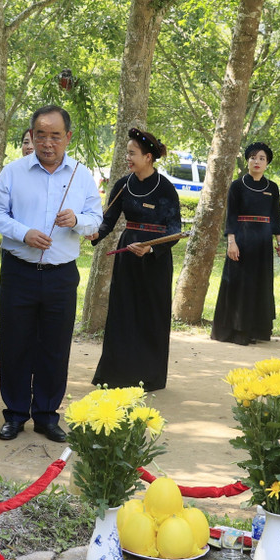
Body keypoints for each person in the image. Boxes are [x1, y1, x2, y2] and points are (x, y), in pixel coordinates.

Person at [0, 105, 102, 442]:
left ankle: (48, 415)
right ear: (32, 137)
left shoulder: (81, 175)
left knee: (55, 346)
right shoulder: (14, 171)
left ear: (67, 137)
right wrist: (24, 232)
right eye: (41, 135)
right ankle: (16, 413)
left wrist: (77, 221)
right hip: (19, 272)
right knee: (15, 344)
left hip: (61, 275)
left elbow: (96, 218)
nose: (47, 143)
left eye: (55, 136)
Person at [89, 128, 181, 391]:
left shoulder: (165, 188)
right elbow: (107, 220)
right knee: (124, 312)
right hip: (127, 256)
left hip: (155, 261)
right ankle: (117, 375)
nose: (127, 158)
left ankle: (149, 377)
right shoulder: (122, 184)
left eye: (132, 153)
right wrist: (93, 233)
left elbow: (174, 230)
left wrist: (151, 249)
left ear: (148, 157)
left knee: (151, 315)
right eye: (127, 153)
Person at [210, 142, 280, 346]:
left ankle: (255, 330)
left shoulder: (272, 188)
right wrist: (231, 243)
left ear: (267, 162)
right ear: (247, 160)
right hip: (241, 241)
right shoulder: (237, 185)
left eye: (262, 158)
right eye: (253, 157)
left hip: (263, 243)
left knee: (259, 284)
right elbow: (231, 217)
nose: (257, 161)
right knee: (239, 285)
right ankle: (236, 330)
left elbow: (275, 219)